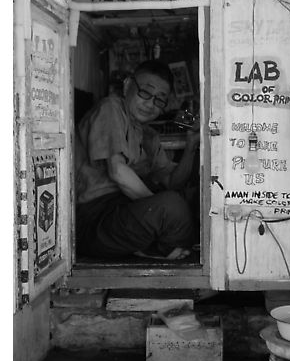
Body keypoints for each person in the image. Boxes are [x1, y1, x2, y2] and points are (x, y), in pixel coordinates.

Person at [75, 60, 200, 260]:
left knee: (188, 199)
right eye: (145, 92)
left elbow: (173, 182)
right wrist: (159, 209)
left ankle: (158, 245)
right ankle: (157, 249)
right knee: (172, 208)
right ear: (127, 86)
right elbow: (117, 171)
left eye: (160, 99)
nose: (150, 104)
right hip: (93, 220)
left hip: (122, 212)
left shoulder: (148, 135)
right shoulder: (111, 108)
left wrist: (191, 145)